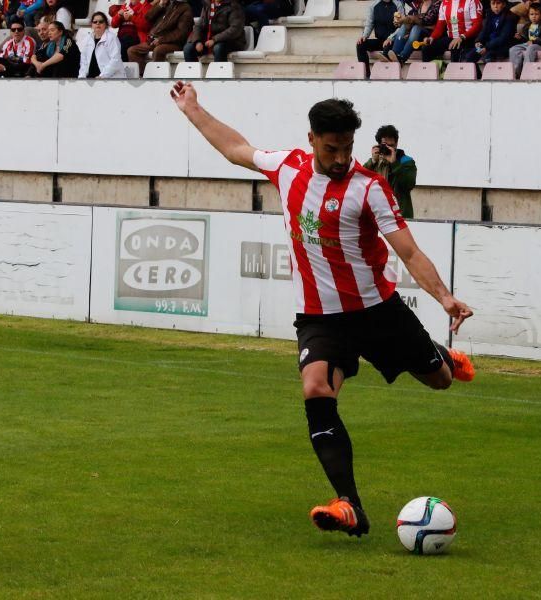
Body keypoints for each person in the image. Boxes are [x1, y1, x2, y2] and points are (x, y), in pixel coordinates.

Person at [171, 82, 475, 539]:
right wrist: (193, 109)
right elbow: (235, 148)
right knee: (315, 390)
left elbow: (408, 252)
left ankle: (439, 355)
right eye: (332, 148)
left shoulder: (370, 189)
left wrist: (444, 296)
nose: (340, 158)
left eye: (348, 148)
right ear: (311, 139)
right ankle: (348, 504)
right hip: (319, 318)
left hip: (378, 313)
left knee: (440, 381)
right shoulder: (288, 167)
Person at [362, 125, 417, 219]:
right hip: (377, 214)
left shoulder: (406, 161)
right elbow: (360, 180)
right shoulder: (375, 162)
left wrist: (394, 164)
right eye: (385, 145)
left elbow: (409, 184)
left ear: (396, 144)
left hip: (398, 214)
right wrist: (372, 162)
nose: (388, 148)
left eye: (391, 145)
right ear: (379, 145)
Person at [126, 0, 193, 76]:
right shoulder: (165, 4)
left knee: (158, 50)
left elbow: (181, 32)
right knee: (132, 51)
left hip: (173, 43)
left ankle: (156, 76)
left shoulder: (185, 8)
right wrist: (160, 5)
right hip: (154, 40)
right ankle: (144, 75)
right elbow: (148, 17)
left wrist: (161, 40)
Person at [420, 0, 484, 62]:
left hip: (468, 38)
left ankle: (459, 71)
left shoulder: (472, 1)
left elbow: (478, 25)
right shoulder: (444, 3)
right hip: (451, 38)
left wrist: (462, 37)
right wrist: (431, 37)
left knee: (456, 47)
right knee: (426, 49)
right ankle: (434, 71)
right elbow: (440, 26)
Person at [385, 0, 443, 65]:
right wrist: (402, 21)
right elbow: (413, 20)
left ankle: (402, 57)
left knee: (416, 28)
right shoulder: (420, 4)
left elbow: (428, 20)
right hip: (417, 33)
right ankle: (395, 54)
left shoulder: (437, 3)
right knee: (404, 27)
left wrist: (411, 19)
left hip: (430, 34)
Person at [356, 0, 405, 77]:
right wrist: (364, 36)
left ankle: (394, 75)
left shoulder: (398, 4)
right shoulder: (373, 5)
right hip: (380, 41)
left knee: (387, 50)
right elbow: (369, 23)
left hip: (393, 41)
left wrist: (390, 38)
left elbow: (403, 26)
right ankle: (366, 76)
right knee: (361, 44)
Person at [509, 1, 541, 76]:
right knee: (513, 49)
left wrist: (534, 42)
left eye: (536, 14)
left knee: (531, 48)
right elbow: (526, 40)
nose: (534, 16)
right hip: (530, 45)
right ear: (528, 15)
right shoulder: (527, 26)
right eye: (531, 14)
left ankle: (526, 73)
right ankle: (516, 73)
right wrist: (520, 38)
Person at [463, 0, 516, 64]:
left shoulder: (510, 17)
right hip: (488, 46)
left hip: (503, 46)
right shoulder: (489, 15)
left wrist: (487, 47)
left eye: (498, 3)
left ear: (504, 4)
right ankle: (478, 74)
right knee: (470, 56)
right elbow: (484, 31)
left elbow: (503, 38)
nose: (495, 6)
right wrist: (478, 41)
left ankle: (491, 73)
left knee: (488, 56)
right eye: (493, 4)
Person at [78, 11, 126, 77]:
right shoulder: (87, 39)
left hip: (110, 79)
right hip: (91, 79)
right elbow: (84, 62)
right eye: (95, 22)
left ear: (106, 24)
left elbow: (115, 60)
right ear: (92, 24)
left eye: (101, 22)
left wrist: (102, 76)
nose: (98, 23)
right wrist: (82, 77)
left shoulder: (112, 38)